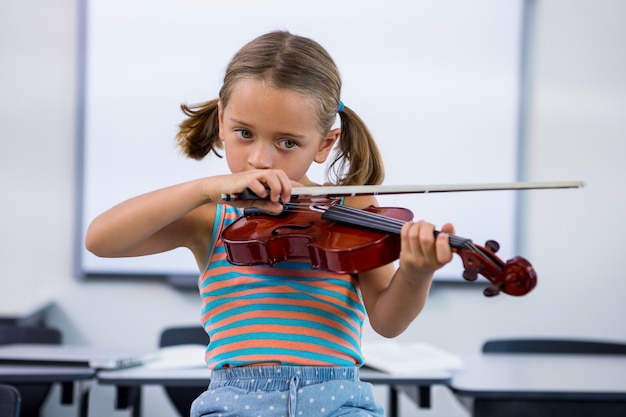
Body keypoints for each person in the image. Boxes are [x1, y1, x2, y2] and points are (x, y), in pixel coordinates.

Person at [85, 30, 455, 417]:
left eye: (287, 143)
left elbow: (388, 321)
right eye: (244, 134)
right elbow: (101, 240)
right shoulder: (212, 215)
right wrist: (206, 188)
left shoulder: (352, 206)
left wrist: (415, 272)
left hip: (339, 405)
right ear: (222, 122)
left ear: (324, 144)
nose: (260, 159)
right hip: (235, 405)